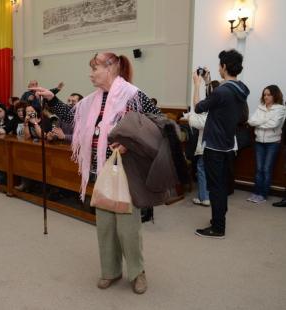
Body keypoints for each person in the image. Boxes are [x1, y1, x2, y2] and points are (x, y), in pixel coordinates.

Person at [33, 52, 164, 295]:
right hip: (100, 171)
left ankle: (137, 272)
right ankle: (111, 270)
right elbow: (74, 116)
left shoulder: (134, 96)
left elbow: (158, 125)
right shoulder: (94, 100)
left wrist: (130, 143)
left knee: (128, 228)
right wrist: (52, 99)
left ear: (111, 68)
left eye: (95, 68)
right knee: (104, 226)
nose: (90, 73)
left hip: (126, 172)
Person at [194, 49, 249, 239]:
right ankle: (218, 218)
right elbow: (218, 102)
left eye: (220, 65)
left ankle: (218, 228)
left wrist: (197, 85)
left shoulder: (222, 91)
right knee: (222, 185)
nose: (218, 68)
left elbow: (199, 107)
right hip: (227, 145)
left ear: (224, 66)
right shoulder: (240, 88)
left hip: (214, 146)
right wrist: (209, 82)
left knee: (215, 187)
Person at [247, 85, 285, 203]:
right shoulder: (260, 107)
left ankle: (263, 195)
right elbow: (251, 121)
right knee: (258, 169)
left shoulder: (280, 109)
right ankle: (256, 192)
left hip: (273, 143)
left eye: (269, 94)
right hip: (259, 142)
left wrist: (259, 122)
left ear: (275, 95)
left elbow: (273, 124)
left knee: (266, 169)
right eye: (264, 94)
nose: (266, 97)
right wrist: (264, 121)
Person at [187, 75, 220, 207]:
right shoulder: (224, 104)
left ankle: (204, 197)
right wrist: (207, 80)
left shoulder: (211, 108)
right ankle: (210, 196)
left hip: (208, 145)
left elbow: (197, 113)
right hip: (220, 146)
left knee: (202, 169)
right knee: (214, 172)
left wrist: (196, 85)